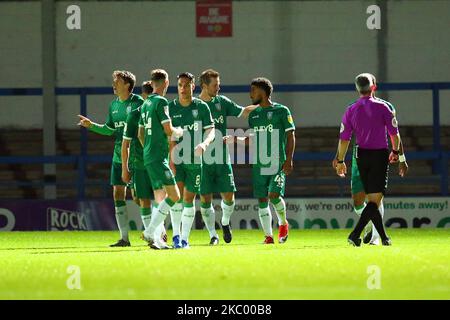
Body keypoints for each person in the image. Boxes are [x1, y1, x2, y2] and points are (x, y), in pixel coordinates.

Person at [332, 74, 409, 245]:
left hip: (360, 155)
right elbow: (394, 135)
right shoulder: (384, 108)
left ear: (357, 88)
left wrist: (339, 160)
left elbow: (344, 138)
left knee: (372, 199)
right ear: (374, 86)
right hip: (378, 154)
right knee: (371, 200)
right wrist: (397, 154)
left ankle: (380, 237)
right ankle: (359, 234)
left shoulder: (351, 109)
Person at [78, 70, 143, 247]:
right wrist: (91, 126)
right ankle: (124, 238)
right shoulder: (113, 105)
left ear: (128, 85)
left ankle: (155, 233)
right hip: (118, 155)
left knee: (139, 197)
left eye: (117, 81)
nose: (114, 83)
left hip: (135, 155)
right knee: (117, 194)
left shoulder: (138, 102)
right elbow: (109, 129)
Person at [197, 69, 257, 245]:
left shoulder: (222, 102)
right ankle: (212, 235)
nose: (218, 87)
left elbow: (244, 111)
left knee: (229, 197)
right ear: (204, 86)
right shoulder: (194, 105)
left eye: (219, 84)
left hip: (222, 159)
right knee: (205, 199)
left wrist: (265, 106)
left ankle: (224, 223)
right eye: (215, 85)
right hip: (202, 161)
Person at [138, 69, 184, 250]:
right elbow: (168, 130)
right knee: (174, 195)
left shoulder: (145, 103)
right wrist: (179, 132)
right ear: (166, 82)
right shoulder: (161, 101)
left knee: (164, 196)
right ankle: (150, 231)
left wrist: (148, 148)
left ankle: (157, 238)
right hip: (158, 157)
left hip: (149, 156)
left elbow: (140, 134)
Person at [169, 72, 215, 249]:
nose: (183, 88)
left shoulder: (202, 107)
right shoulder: (171, 108)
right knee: (176, 197)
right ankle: (176, 237)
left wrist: (204, 143)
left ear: (193, 87)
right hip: (177, 158)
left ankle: (185, 239)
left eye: (186, 85)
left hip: (195, 160)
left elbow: (211, 130)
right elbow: (168, 135)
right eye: (180, 85)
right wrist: (171, 159)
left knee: (189, 198)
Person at [247, 77, 295, 244]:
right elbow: (253, 139)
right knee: (262, 199)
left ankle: (283, 223)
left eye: (253, 90)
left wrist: (289, 159)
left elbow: (291, 135)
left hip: (278, 162)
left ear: (262, 91)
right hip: (259, 164)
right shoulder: (253, 115)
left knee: (274, 195)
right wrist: (233, 139)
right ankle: (268, 236)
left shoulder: (282, 111)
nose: (250, 94)